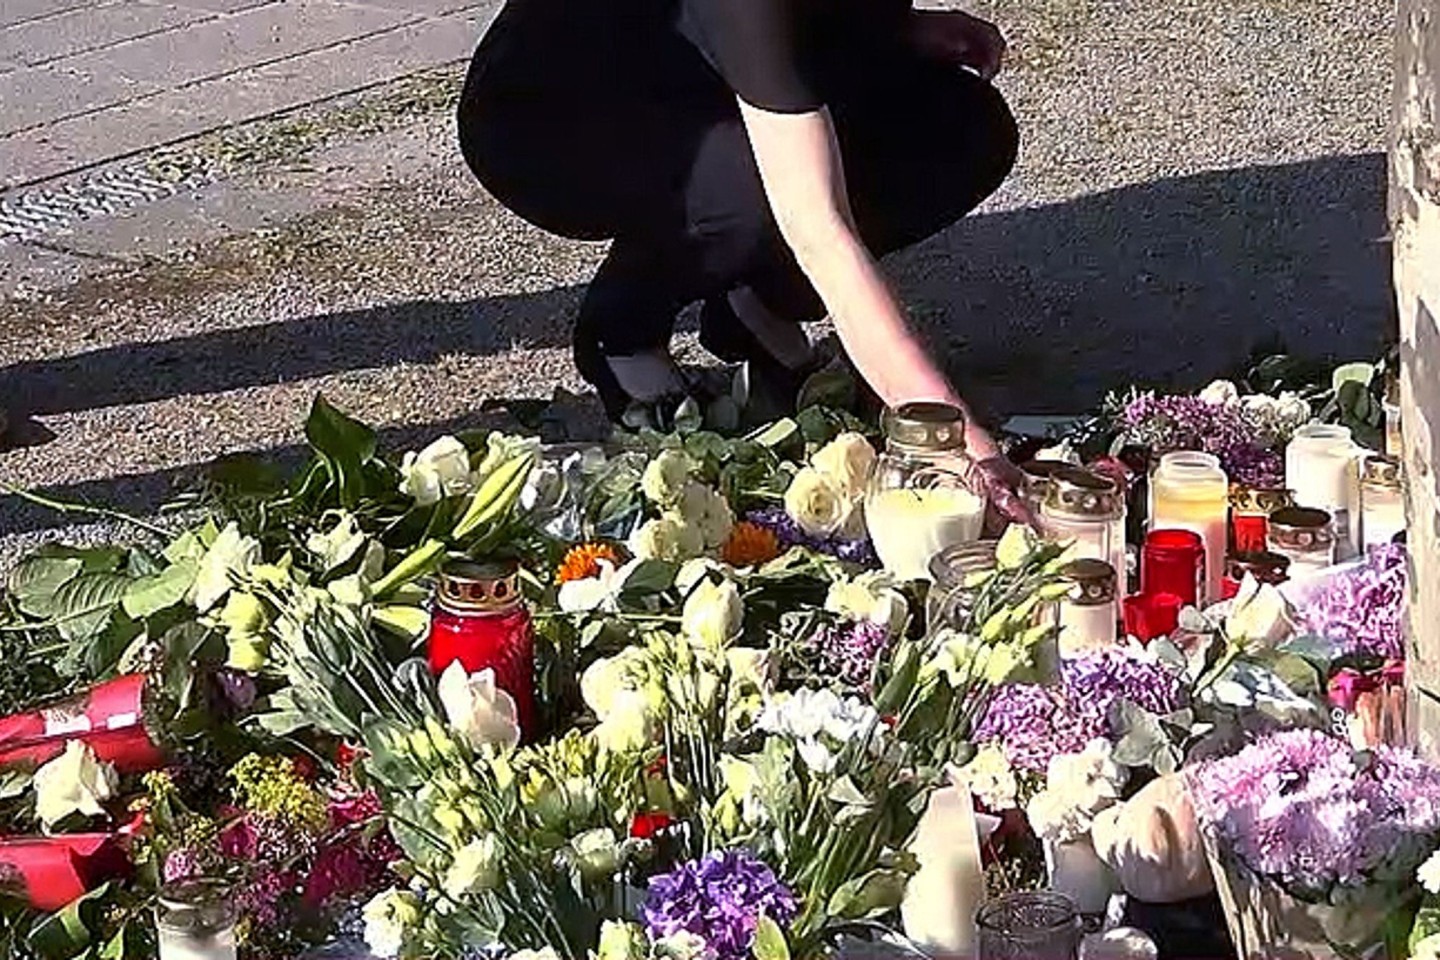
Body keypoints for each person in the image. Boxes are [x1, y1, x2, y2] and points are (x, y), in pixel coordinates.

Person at [457, 0, 1026, 510]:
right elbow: (820, 231)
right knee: (764, 188)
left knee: (959, 126)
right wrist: (960, 446)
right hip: (553, 115)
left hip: (694, 74)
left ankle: (751, 297)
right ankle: (623, 330)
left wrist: (894, 30)